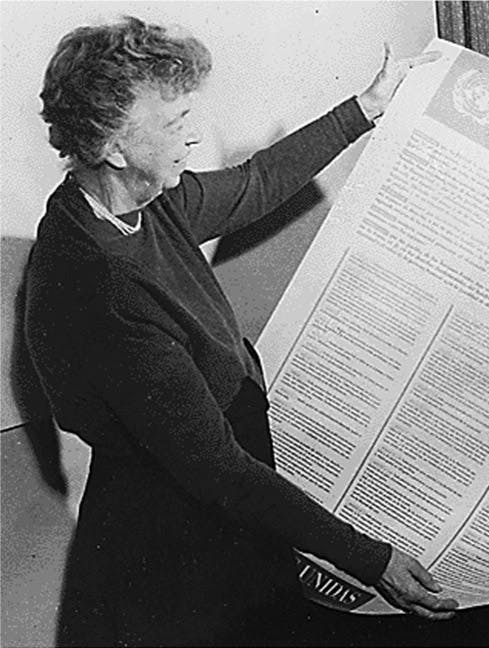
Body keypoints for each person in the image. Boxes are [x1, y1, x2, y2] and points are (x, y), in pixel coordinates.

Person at [25, 15, 457, 647]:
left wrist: (365, 108)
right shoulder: (99, 285)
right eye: (174, 124)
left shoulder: (141, 200)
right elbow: (218, 470)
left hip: (223, 494)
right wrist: (372, 560)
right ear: (113, 147)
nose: (195, 137)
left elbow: (255, 185)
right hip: (177, 536)